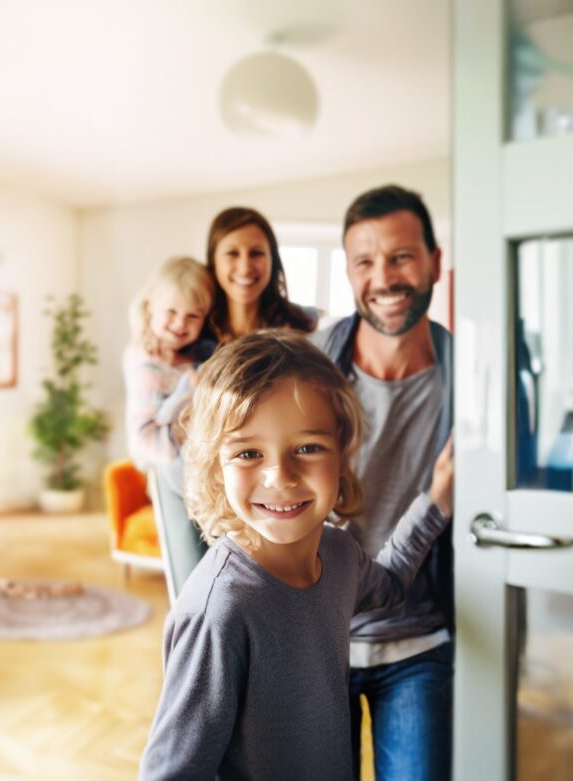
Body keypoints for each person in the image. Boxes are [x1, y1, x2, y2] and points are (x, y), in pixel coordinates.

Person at [137, 331, 453, 781]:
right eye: (248, 452)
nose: (280, 476)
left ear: (342, 455)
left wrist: (437, 501)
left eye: (307, 447)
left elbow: (390, 583)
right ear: (214, 465)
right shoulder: (219, 611)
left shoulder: (340, 554)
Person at [311, 184, 454, 780]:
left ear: (434, 263)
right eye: (365, 262)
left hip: (418, 646)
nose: (384, 278)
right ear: (348, 273)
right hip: (317, 643)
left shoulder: (471, 379)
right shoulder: (315, 367)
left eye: (401, 256)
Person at [123, 256, 215, 473]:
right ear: (149, 307)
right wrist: (189, 403)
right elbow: (145, 441)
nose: (180, 323)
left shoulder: (198, 354)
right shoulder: (147, 366)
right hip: (163, 469)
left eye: (193, 316)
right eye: (171, 312)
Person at [205, 206, 316, 342]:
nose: (245, 268)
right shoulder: (193, 333)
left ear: (273, 260)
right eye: (232, 253)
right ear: (213, 261)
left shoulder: (306, 329)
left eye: (256, 253)